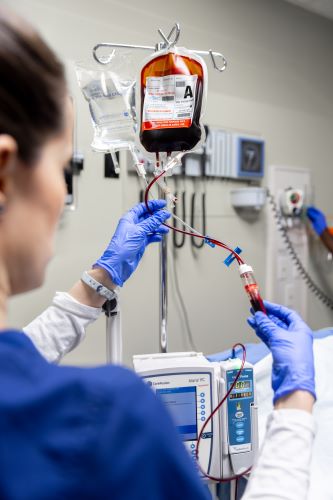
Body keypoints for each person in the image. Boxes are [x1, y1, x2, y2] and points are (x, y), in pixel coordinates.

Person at [0, 7, 316, 500]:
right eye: (64, 169)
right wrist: (296, 402)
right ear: (5, 172)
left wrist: (99, 279)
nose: (61, 192)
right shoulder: (108, 421)